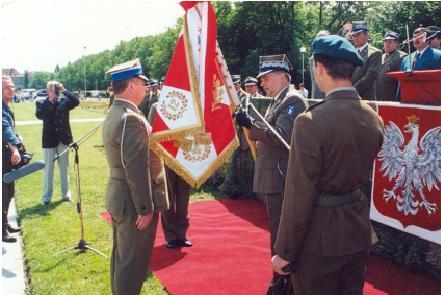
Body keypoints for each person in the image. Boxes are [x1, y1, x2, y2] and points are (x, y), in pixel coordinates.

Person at [271, 35, 384, 295]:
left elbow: (299, 193)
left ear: (319, 68)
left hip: (319, 240)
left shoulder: (310, 121)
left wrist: (285, 251)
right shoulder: (373, 118)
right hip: (357, 231)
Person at [235, 54, 307, 295]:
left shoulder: (293, 100)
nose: (262, 83)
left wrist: (251, 127)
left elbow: (282, 136)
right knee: (278, 237)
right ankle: (281, 285)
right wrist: (251, 123)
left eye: (266, 78)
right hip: (274, 177)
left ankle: (281, 287)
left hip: (280, 177)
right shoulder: (280, 99)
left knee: (280, 239)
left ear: (281, 76)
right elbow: (272, 130)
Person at [103, 59, 168, 295]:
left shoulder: (117, 110)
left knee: (123, 260)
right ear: (131, 85)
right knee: (132, 265)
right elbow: (136, 167)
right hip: (133, 203)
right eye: (142, 83)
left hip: (122, 197)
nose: (145, 88)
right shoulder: (130, 118)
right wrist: (145, 208)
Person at [147, 103, 192, 249]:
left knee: (183, 198)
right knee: (169, 199)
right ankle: (171, 236)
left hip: (185, 158)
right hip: (166, 157)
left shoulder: (189, 105)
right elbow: (151, 134)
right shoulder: (157, 106)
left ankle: (182, 233)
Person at [35, 81, 79, 205]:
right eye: (53, 88)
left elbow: (76, 101)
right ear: (48, 90)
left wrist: (64, 90)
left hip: (63, 139)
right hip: (49, 140)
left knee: (64, 168)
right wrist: (50, 100)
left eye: (56, 88)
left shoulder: (64, 100)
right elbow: (39, 115)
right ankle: (46, 197)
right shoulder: (41, 102)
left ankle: (66, 194)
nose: (55, 91)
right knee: (48, 169)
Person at [2, 76, 22, 243]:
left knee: (8, 192)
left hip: (6, 157)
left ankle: (5, 224)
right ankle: (2, 231)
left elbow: (10, 130)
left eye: (13, 86)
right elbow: (4, 129)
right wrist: (15, 148)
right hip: (3, 156)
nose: (12, 89)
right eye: (8, 87)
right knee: (3, 193)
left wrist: (18, 137)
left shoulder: (6, 107)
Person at [350, 21, 382, 100]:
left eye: (358, 35)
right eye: (354, 35)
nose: (355, 38)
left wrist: (352, 90)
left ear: (366, 35)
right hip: (350, 97)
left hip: (365, 97)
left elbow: (369, 77)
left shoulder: (375, 53)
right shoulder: (351, 52)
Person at [375, 31, 407, 100]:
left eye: (390, 42)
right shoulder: (381, 56)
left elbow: (401, 81)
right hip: (378, 96)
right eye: (385, 41)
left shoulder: (401, 57)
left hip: (392, 96)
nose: (387, 44)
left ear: (396, 43)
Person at [310, 30, 330, 99]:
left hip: (331, 95)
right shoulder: (314, 57)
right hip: (319, 95)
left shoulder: (333, 56)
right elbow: (315, 77)